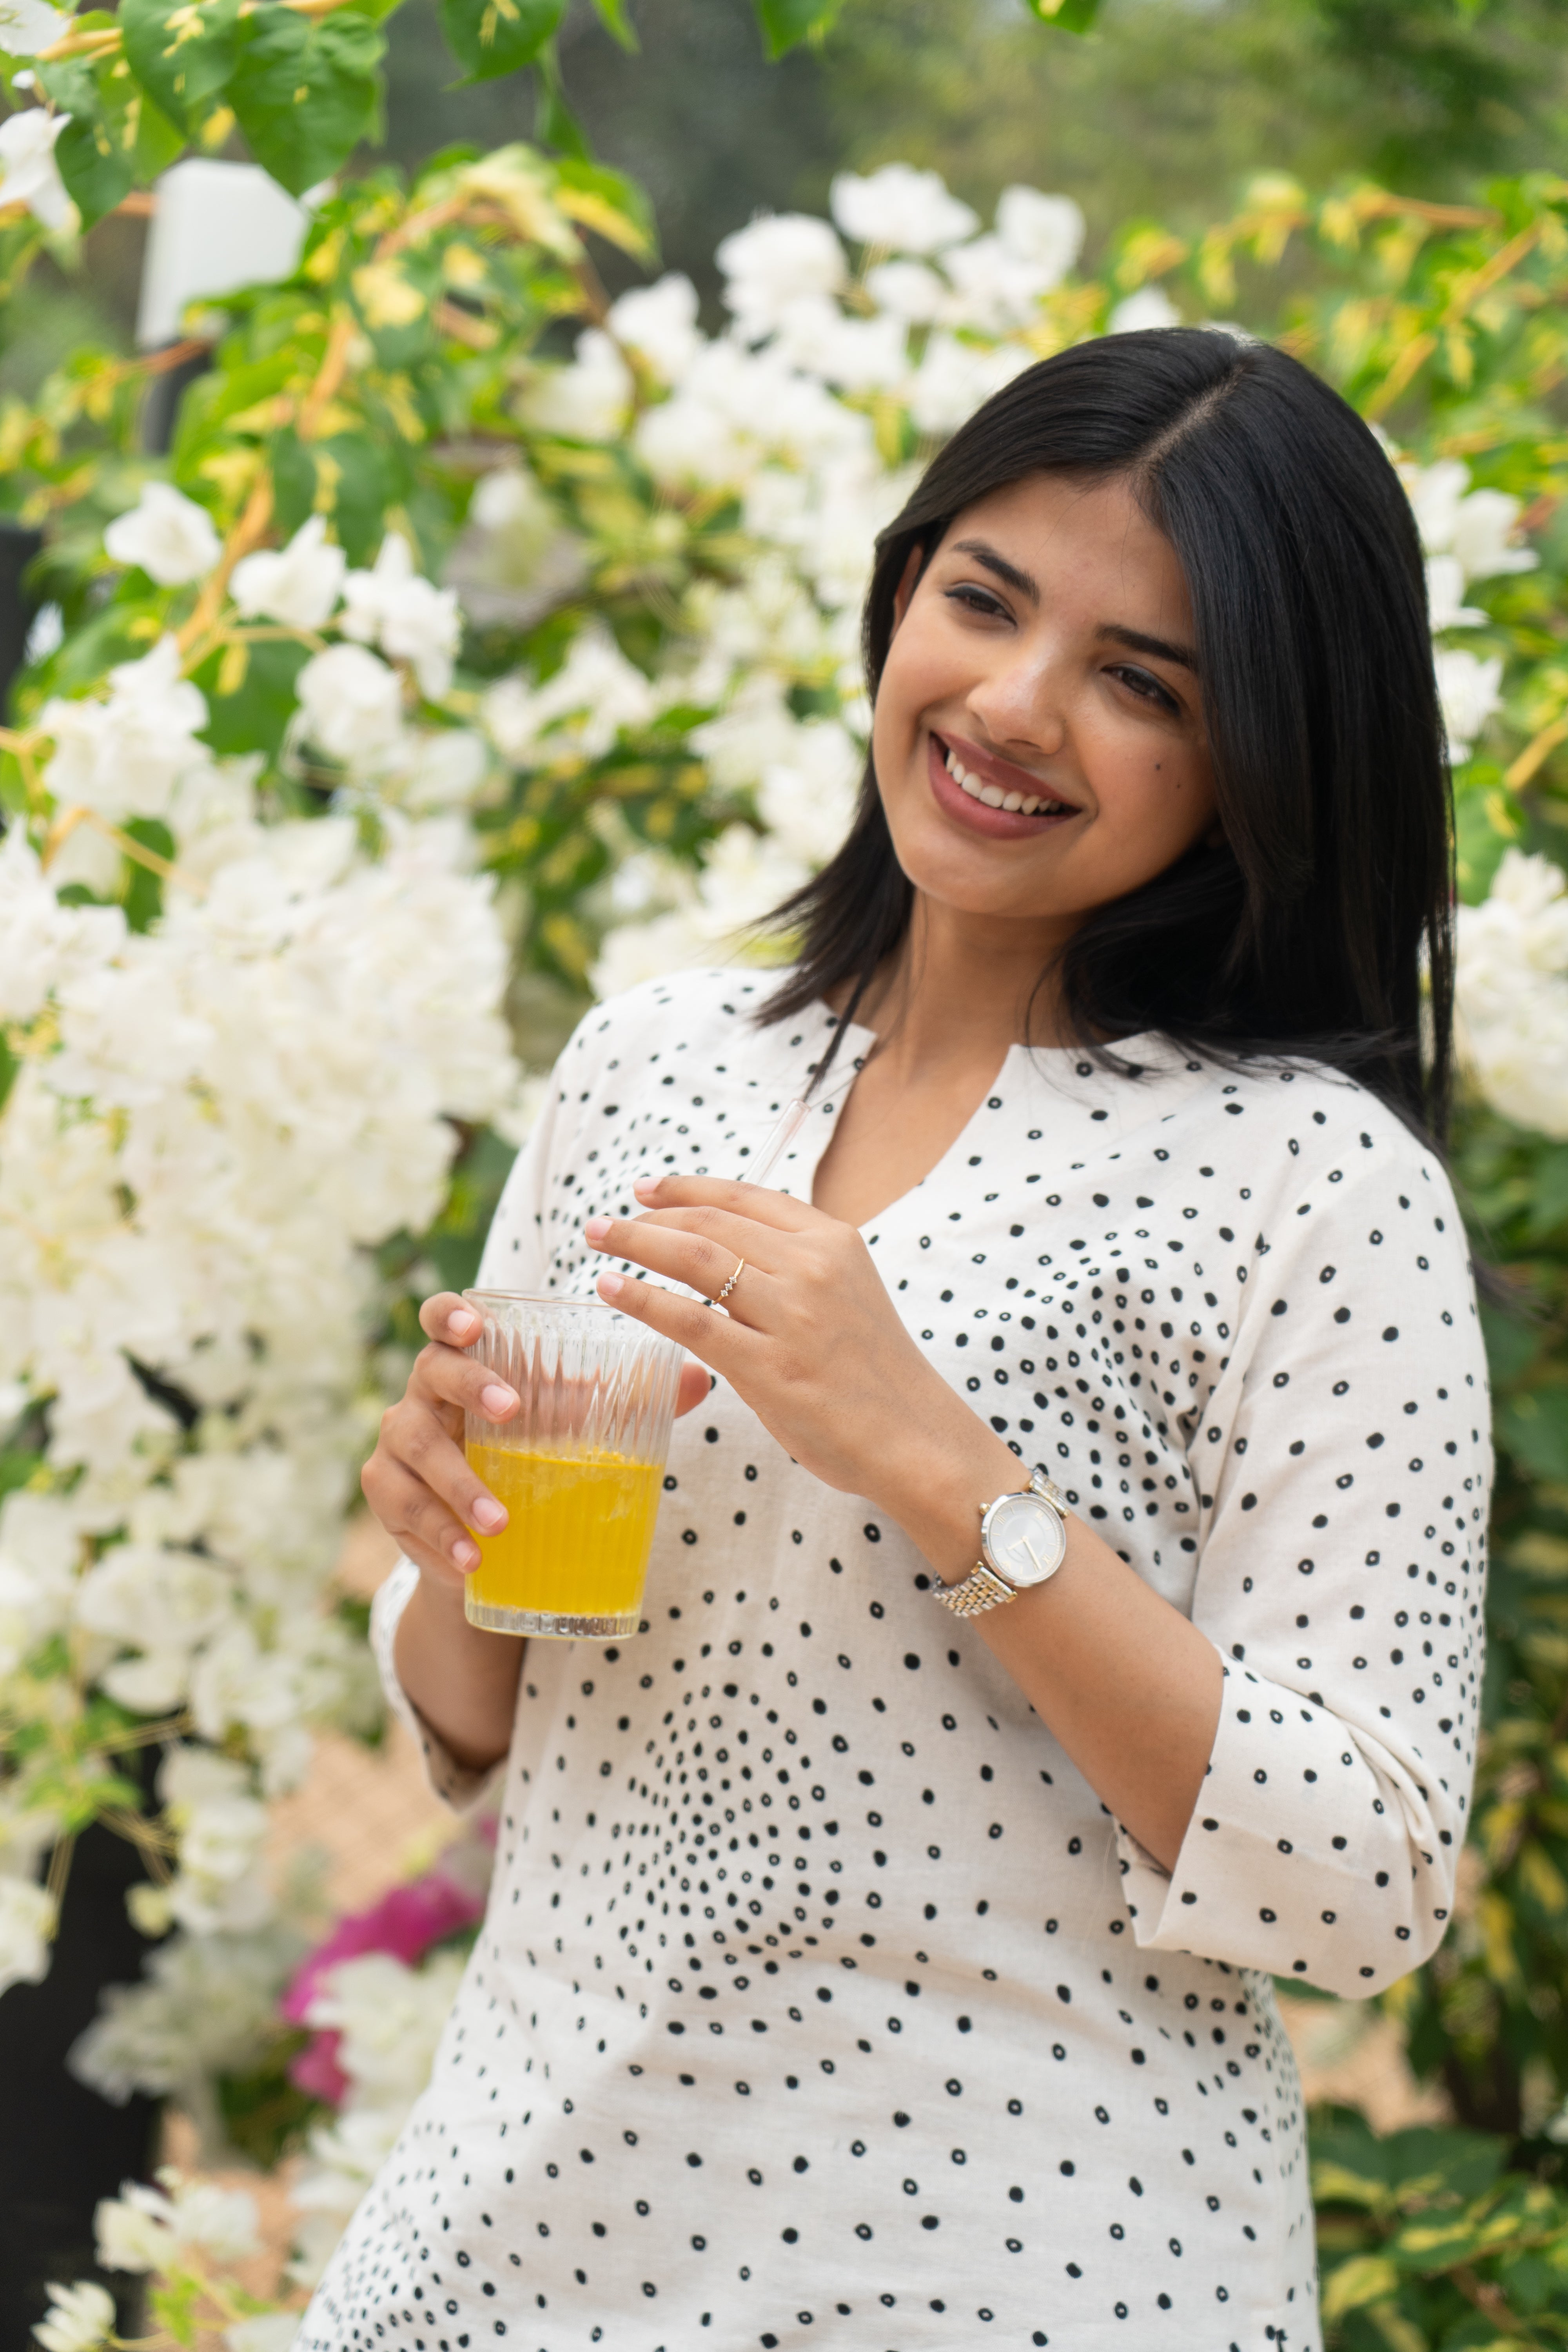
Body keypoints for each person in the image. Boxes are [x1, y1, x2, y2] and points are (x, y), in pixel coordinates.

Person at [302, 327, 1490, 2352]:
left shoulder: (1316, 1187)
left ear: (1268, 757)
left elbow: (1364, 1881)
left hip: (1015, 2279)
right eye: (985, 598)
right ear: (903, 588)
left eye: (1144, 684)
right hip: (517, 2247)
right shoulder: (654, 1067)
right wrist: (452, 1554)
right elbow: (482, 1717)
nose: (1013, 708)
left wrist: (947, 1472)